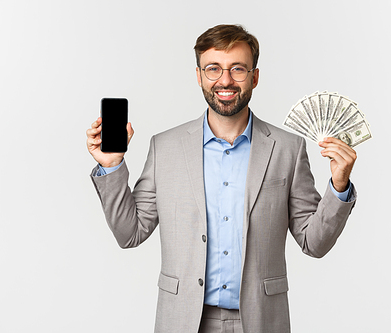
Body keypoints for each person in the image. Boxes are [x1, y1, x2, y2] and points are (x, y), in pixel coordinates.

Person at [87, 24, 357, 333]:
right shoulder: (165, 147)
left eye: (237, 69)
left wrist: (338, 186)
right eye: (213, 69)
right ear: (199, 76)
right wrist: (111, 166)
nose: (225, 80)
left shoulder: (288, 149)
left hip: (261, 320)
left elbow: (314, 243)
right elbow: (129, 233)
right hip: (183, 321)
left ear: (254, 77)